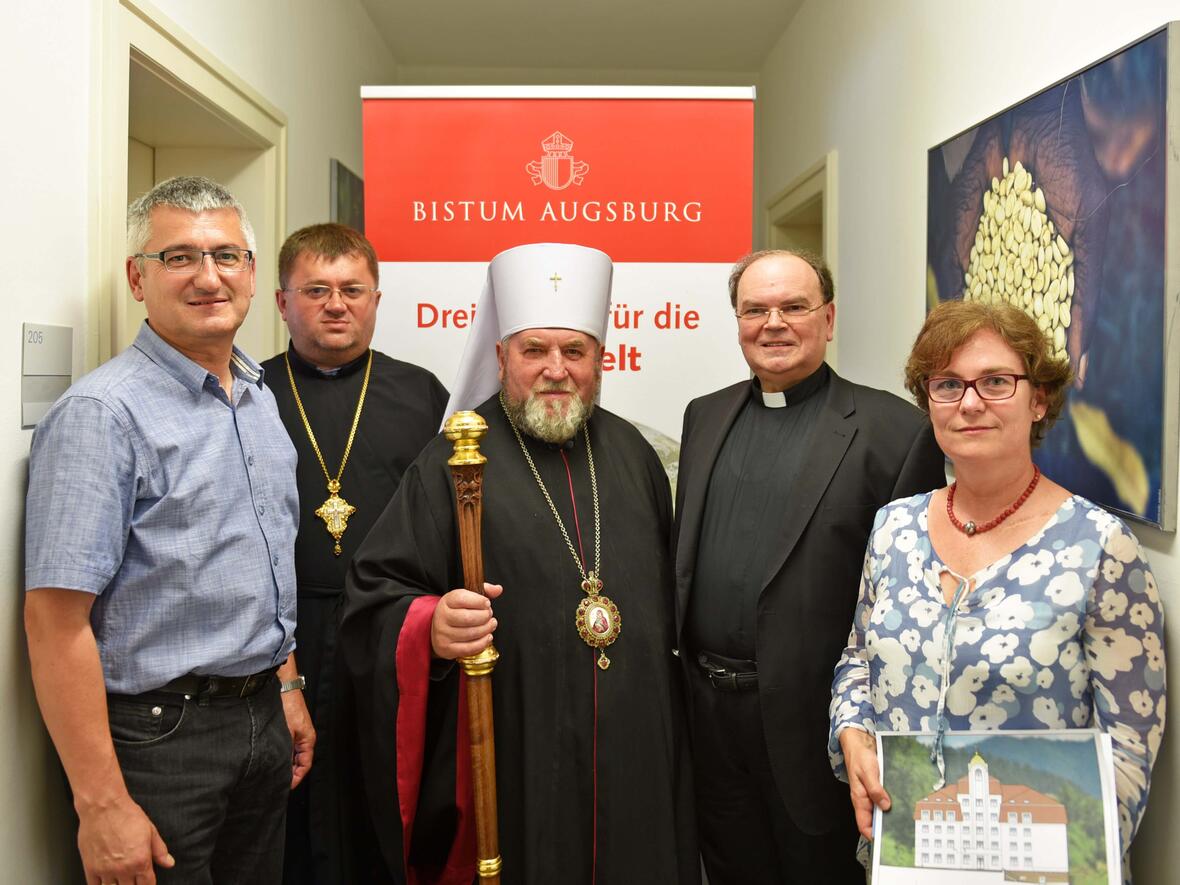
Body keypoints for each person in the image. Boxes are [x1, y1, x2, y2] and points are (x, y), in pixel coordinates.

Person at [341, 242, 698, 885]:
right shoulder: (455, 460)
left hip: (635, 747)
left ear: (600, 358)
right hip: (517, 746)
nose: (556, 369)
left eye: (575, 351)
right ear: (502, 357)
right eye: (535, 350)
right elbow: (375, 594)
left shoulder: (635, 456)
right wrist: (432, 622)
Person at [24, 175, 312, 884]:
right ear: (137, 278)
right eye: (179, 257)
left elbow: (259, 562)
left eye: (226, 256)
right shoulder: (102, 415)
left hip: (260, 722)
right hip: (159, 739)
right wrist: (101, 804)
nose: (208, 276)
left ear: (250, 272)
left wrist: (286, 686)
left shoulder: (256, 396)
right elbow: (54, 622)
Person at [829, 300, 1166, 878]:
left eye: (996, 382)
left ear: (1039, 399)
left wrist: (1063, 859)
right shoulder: (894, 527)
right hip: (909, 851)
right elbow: (858, 660)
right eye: (948, 385)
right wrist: (854, 734)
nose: (970, 403)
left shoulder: (1098, 545)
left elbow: (1128, 750)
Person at [673, 248, 946, 883]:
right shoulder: (703, 416)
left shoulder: (895, 431)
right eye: (755, 309)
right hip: (708, 722)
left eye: (794, 306)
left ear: (827, 318)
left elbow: (905, 605)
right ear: (737, 321)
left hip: (815, 727)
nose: (773, 323)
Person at [261, 223, 448, 885]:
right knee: (288, 798)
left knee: (382, 792)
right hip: (281, 636)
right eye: (316, 289)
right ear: (282, 302)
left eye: (351, 289)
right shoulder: (248, 392)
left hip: (388, 628)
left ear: (374, 298)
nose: (336, 304)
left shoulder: (422, 393)